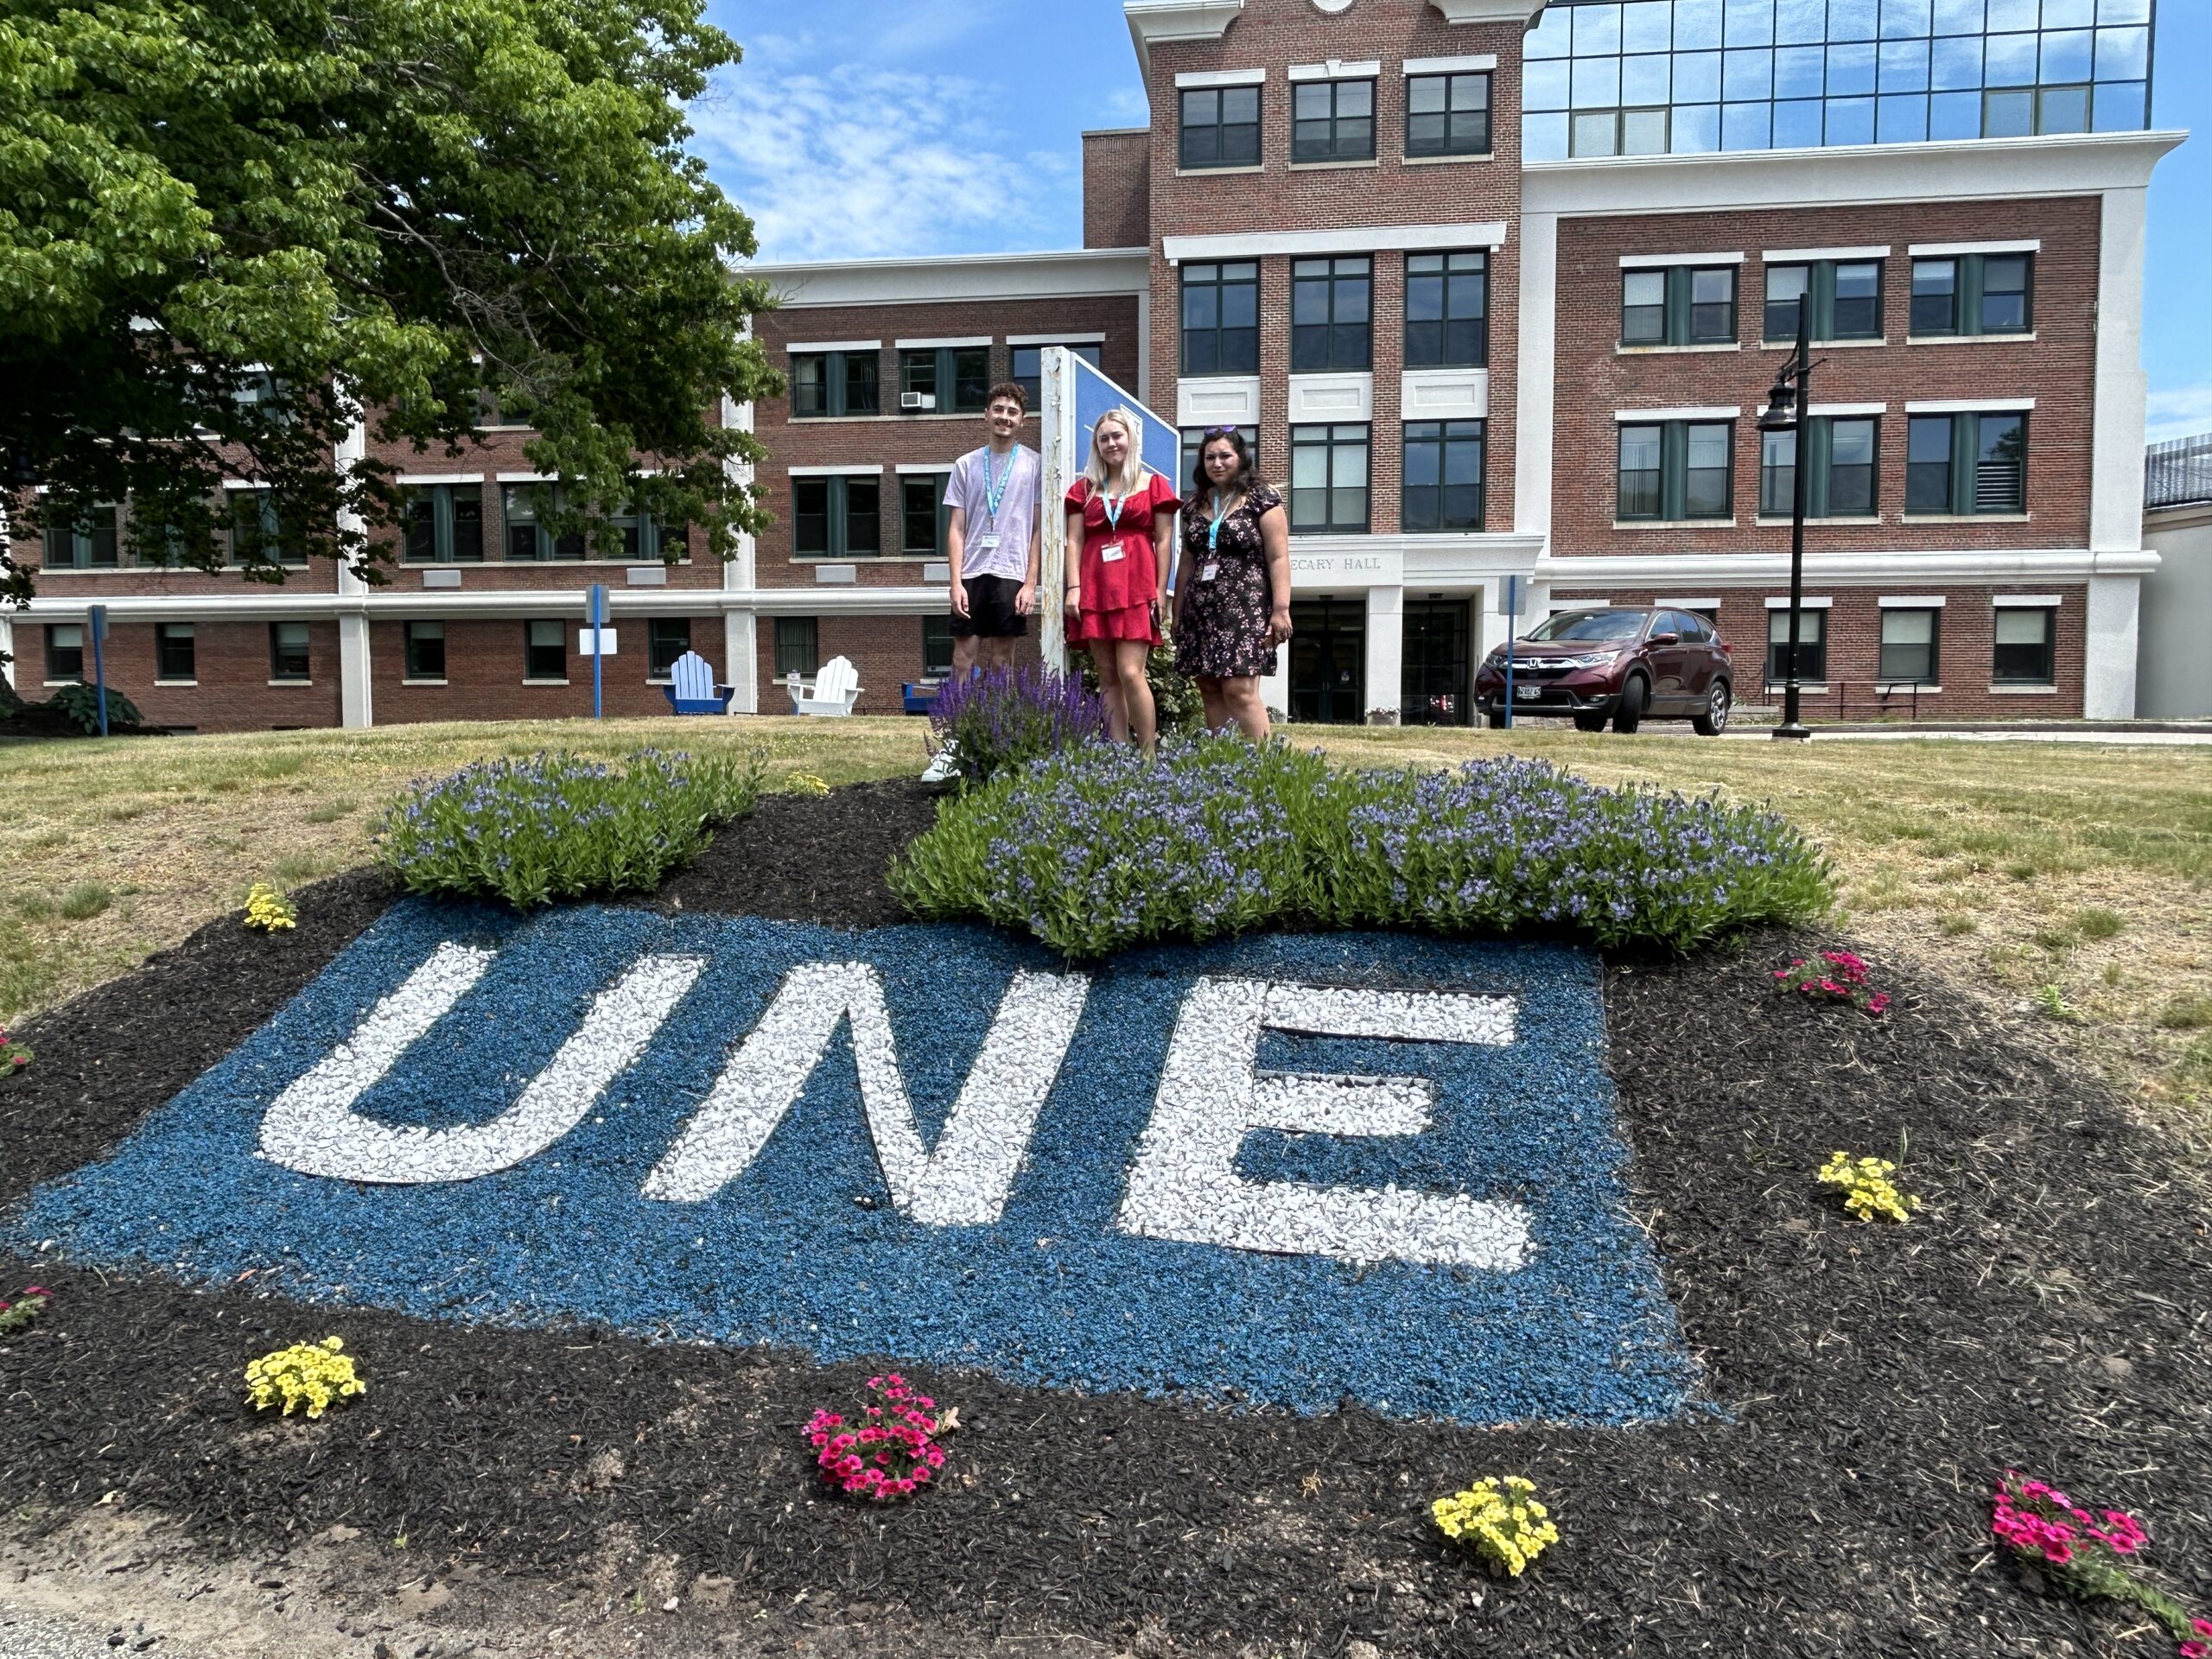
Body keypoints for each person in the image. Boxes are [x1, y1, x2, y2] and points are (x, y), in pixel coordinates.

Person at [920, 381, 1042, 785]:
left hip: (1011, 574)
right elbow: (956, 528)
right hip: (972, 573)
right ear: (986, 415)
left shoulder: (1034, 465)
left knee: (1002, 663)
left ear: (1022, 421)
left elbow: (1039, 530)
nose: (1005, 416)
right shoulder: (966, 465)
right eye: (999, 409)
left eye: (1012, 411)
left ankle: (999, 743)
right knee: (962, 660)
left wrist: (1030, 582)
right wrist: (954, 582)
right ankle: (955, 744)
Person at [1065, 407, 1178, 749]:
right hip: (1095, 587)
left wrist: (1161, 590)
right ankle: (1118, 753)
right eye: (1104, 438)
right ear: (1096, 445)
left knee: (1131, 672)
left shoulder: (1154, 484)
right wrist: (1073, 588)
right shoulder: (1083, 489)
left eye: (1117, 435)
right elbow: (1074, 541)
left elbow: (1164, 541)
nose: (1111, 443)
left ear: (1130, 439)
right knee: (1108, 676)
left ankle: (1147, 754)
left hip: (1137, 586)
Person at [1172, 425, 1291, 741]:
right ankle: (1224, 763)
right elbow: (1186, 561)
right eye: (1210, 457)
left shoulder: (1263, 500)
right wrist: (1177, 611)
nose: (1217, 463)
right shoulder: (1194, 507)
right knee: (1209, 687)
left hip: (1244, 608)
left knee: (1239, 689)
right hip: (1201, 610)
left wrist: (1281, 609)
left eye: (1225, 455)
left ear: (1241, 458)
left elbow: (1278, 558)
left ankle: (1265, 767)